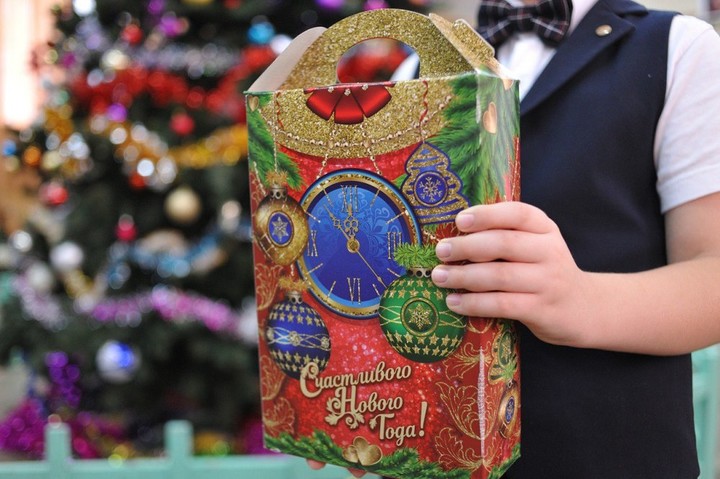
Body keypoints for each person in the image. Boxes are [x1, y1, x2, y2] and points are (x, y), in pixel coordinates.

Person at [309, 0, 720, 477]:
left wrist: (582, 300)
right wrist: (363, 391)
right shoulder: (414, 69)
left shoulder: (678, 50)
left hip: (612, 455)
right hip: (439, 456)